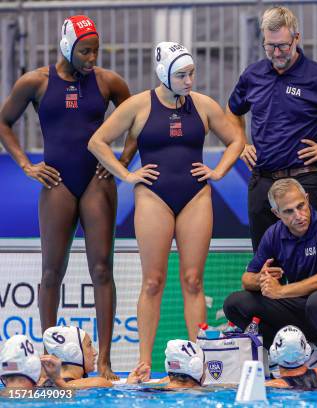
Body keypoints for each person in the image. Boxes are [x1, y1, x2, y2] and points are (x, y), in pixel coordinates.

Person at [88, 41, 244, 372]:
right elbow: (97, 142)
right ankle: (144, 362)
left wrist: (218, 171)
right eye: (183, 75)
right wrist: (127, 174)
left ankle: (199, 361)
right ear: (164, 74)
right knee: (153, 281)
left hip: (196, 197)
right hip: (152, 197)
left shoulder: (202, 105)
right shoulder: (138, 106)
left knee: (193, 280)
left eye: (192, 74)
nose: (190, 81)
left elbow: (236, 140)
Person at [0, 15, 133, 380]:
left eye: (96, 51)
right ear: (66, 46)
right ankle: (48, 360)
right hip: (57, 181)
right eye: (85, 51)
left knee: (102, 270)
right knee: (50, 272)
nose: (92, 58)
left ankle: (103, 362)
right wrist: (27, 165)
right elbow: (3, 122)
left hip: (96, 181)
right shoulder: (36, 82)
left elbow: (137, 119)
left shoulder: (107, 82)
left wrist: (121, 162)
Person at [225, 6, 317, 251]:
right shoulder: (253, 75)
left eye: (283, 45)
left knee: (313, 260)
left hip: (304, 180)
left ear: (297, 38)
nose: (276, 53)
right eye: (270, 46)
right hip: (262, 183)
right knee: (267, 265)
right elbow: (231, 112)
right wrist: (240, 143)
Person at [223, 178, 317, 377]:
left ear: (307, 199)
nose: (299, 216)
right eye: (289, 211)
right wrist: (262, 280)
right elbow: (246, 279)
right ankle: (309, 355)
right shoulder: (273, 235)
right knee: (235, 303)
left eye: (301, 206)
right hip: (306, 310)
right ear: (276, 214)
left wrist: (280, 291)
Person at [39, 325, 112, 388]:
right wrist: (59, 382)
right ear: (73, 352)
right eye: (89, 345)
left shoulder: (41, 384)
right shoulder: (99, 383)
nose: (95, 352)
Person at [127, 340, 204, 389]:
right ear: (197, 367)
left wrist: (129, 385)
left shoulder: (149, 391)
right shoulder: (202, 394)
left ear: (168, 366)